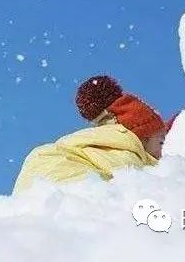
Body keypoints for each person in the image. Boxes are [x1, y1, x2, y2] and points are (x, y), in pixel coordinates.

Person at [12, 75, 166, 195]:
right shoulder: (125, 146)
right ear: (142, 138)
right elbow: (133, 185)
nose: (163, 151)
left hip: (32, 193)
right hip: (62, 187)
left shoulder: (97, 140)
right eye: (161, 143)